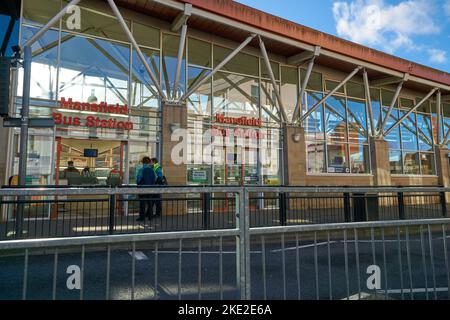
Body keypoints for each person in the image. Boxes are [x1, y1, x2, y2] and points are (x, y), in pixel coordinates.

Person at [136, 156, 156, 222]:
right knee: (150, 203)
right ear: (149, 162)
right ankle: (150, 217)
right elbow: (154, 179)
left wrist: (139, 185)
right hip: (150, 189)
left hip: (142, 189)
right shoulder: (152, 170)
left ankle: (142, 217)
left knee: (142, 203)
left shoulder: (141, 170)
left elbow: (138, 179)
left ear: (143, 162)